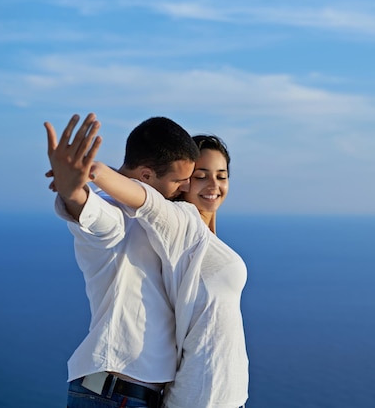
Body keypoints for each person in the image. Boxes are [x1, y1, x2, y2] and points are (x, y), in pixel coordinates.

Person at [45, 113, 201, 408]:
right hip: (115, 395)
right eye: (179, 180)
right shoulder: (113, 208)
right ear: (145, 176)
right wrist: (72, 191)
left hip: (130, 395)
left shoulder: (164, 218)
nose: (184, 188)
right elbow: (97, 217)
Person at [87, 135, 249, 408]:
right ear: (184, 181)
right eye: (201, 176)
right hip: (200, 399)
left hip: (226, 398)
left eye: (221, 176)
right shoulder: (181, 222)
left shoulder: (207, 240)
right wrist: (95, 171)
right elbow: (144, 197)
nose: (213, 185)